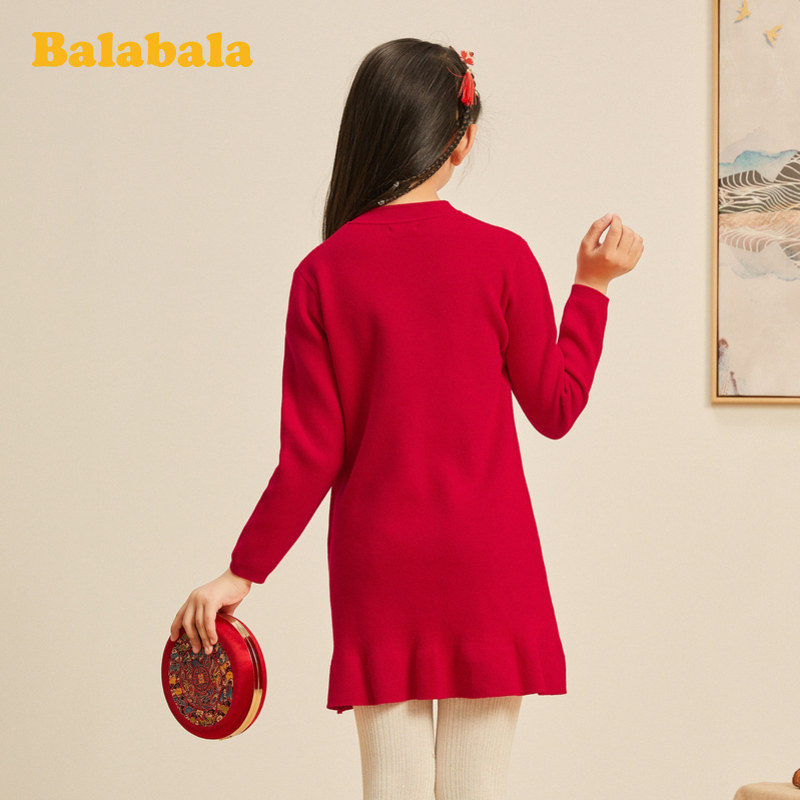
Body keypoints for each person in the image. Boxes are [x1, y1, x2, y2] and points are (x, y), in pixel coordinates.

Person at [169, 37, 643, 800]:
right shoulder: (504, 258)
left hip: (380, 571)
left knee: (389, 786)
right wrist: (592, 287)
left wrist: (242, 571)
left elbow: (311, 457)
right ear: (461, 142)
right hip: (488, 565)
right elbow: (555, 408)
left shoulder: (323, 274)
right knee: (477, 788)